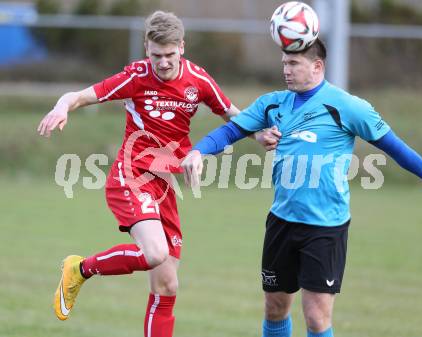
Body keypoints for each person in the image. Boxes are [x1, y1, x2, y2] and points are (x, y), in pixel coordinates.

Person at [37, 11, 276, 337]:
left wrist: (259, 134)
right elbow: (79, 95)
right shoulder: (136, 76)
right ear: (146, 49)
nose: (162, 63)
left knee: (167, 285)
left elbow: (231, 113)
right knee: (154, 253)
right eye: (155, 55)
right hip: (131, 173)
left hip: (163, 185)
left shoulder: (198, 81)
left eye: (169, 55)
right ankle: (79, 269)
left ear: (182, 47)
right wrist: (62, 106)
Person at [181, 38, 422, 337]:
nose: (286, 70)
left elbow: (397, 149)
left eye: (293, 64)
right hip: (282, 221)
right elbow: (231, 130)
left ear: (317, 66)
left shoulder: (348, 106)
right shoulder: (273, 103)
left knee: (316, 317)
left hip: (325, 226)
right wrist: (198, 151)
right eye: (284, 64)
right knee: (275, 307)